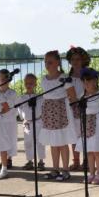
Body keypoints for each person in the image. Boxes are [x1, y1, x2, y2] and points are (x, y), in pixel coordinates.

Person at [38, 50, 78, 181]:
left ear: (57, 63)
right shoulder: (44, 79)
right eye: (45, 62)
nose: (47, 64)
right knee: (53, 143)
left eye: (50, 62)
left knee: (62, 142)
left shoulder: (64, 78)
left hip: (61, 112)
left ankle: (65, 170)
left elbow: (73, 96)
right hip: (49, 112)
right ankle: (55, 169)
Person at [75, 68, 99, 185]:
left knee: (97, 150)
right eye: (84, 82)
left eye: (89, 81)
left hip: (97, 125)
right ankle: (91, 174)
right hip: (86, 124)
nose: (86, 84)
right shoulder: (82, 96)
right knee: (89, 151)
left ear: (95, 81)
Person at [66, 46, 90, 171]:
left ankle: (87, 160)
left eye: (78, 59)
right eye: (73, 59)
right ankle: (76, 161)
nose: (75, 62)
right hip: (71, 109)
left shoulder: (87, 75)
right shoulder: (67, 76)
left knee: (85, 135)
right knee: (74, 135)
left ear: (83, 60)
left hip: (85, 107)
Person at [17, 73, 46, 171]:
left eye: (31, 83)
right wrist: (23, 118)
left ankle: (41, 161)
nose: (28, 85)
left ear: (35, 84)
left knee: (40, 142)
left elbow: (43, 109)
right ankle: (30, 161)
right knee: (28, 142)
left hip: (38, 121)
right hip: (27, 123)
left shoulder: (40, 97)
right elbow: (19, 109)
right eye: (26, 83)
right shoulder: (21, 98)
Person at [0, 69, 19, 169]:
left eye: (3, 79)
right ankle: (2, 160)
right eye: (0, 78)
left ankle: (9, 158)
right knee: (1, 140)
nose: (1, 81)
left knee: (10, 139)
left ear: (8, 80)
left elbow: (8, 107)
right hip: (0, 121)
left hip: (10, 120)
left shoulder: (12, 93)